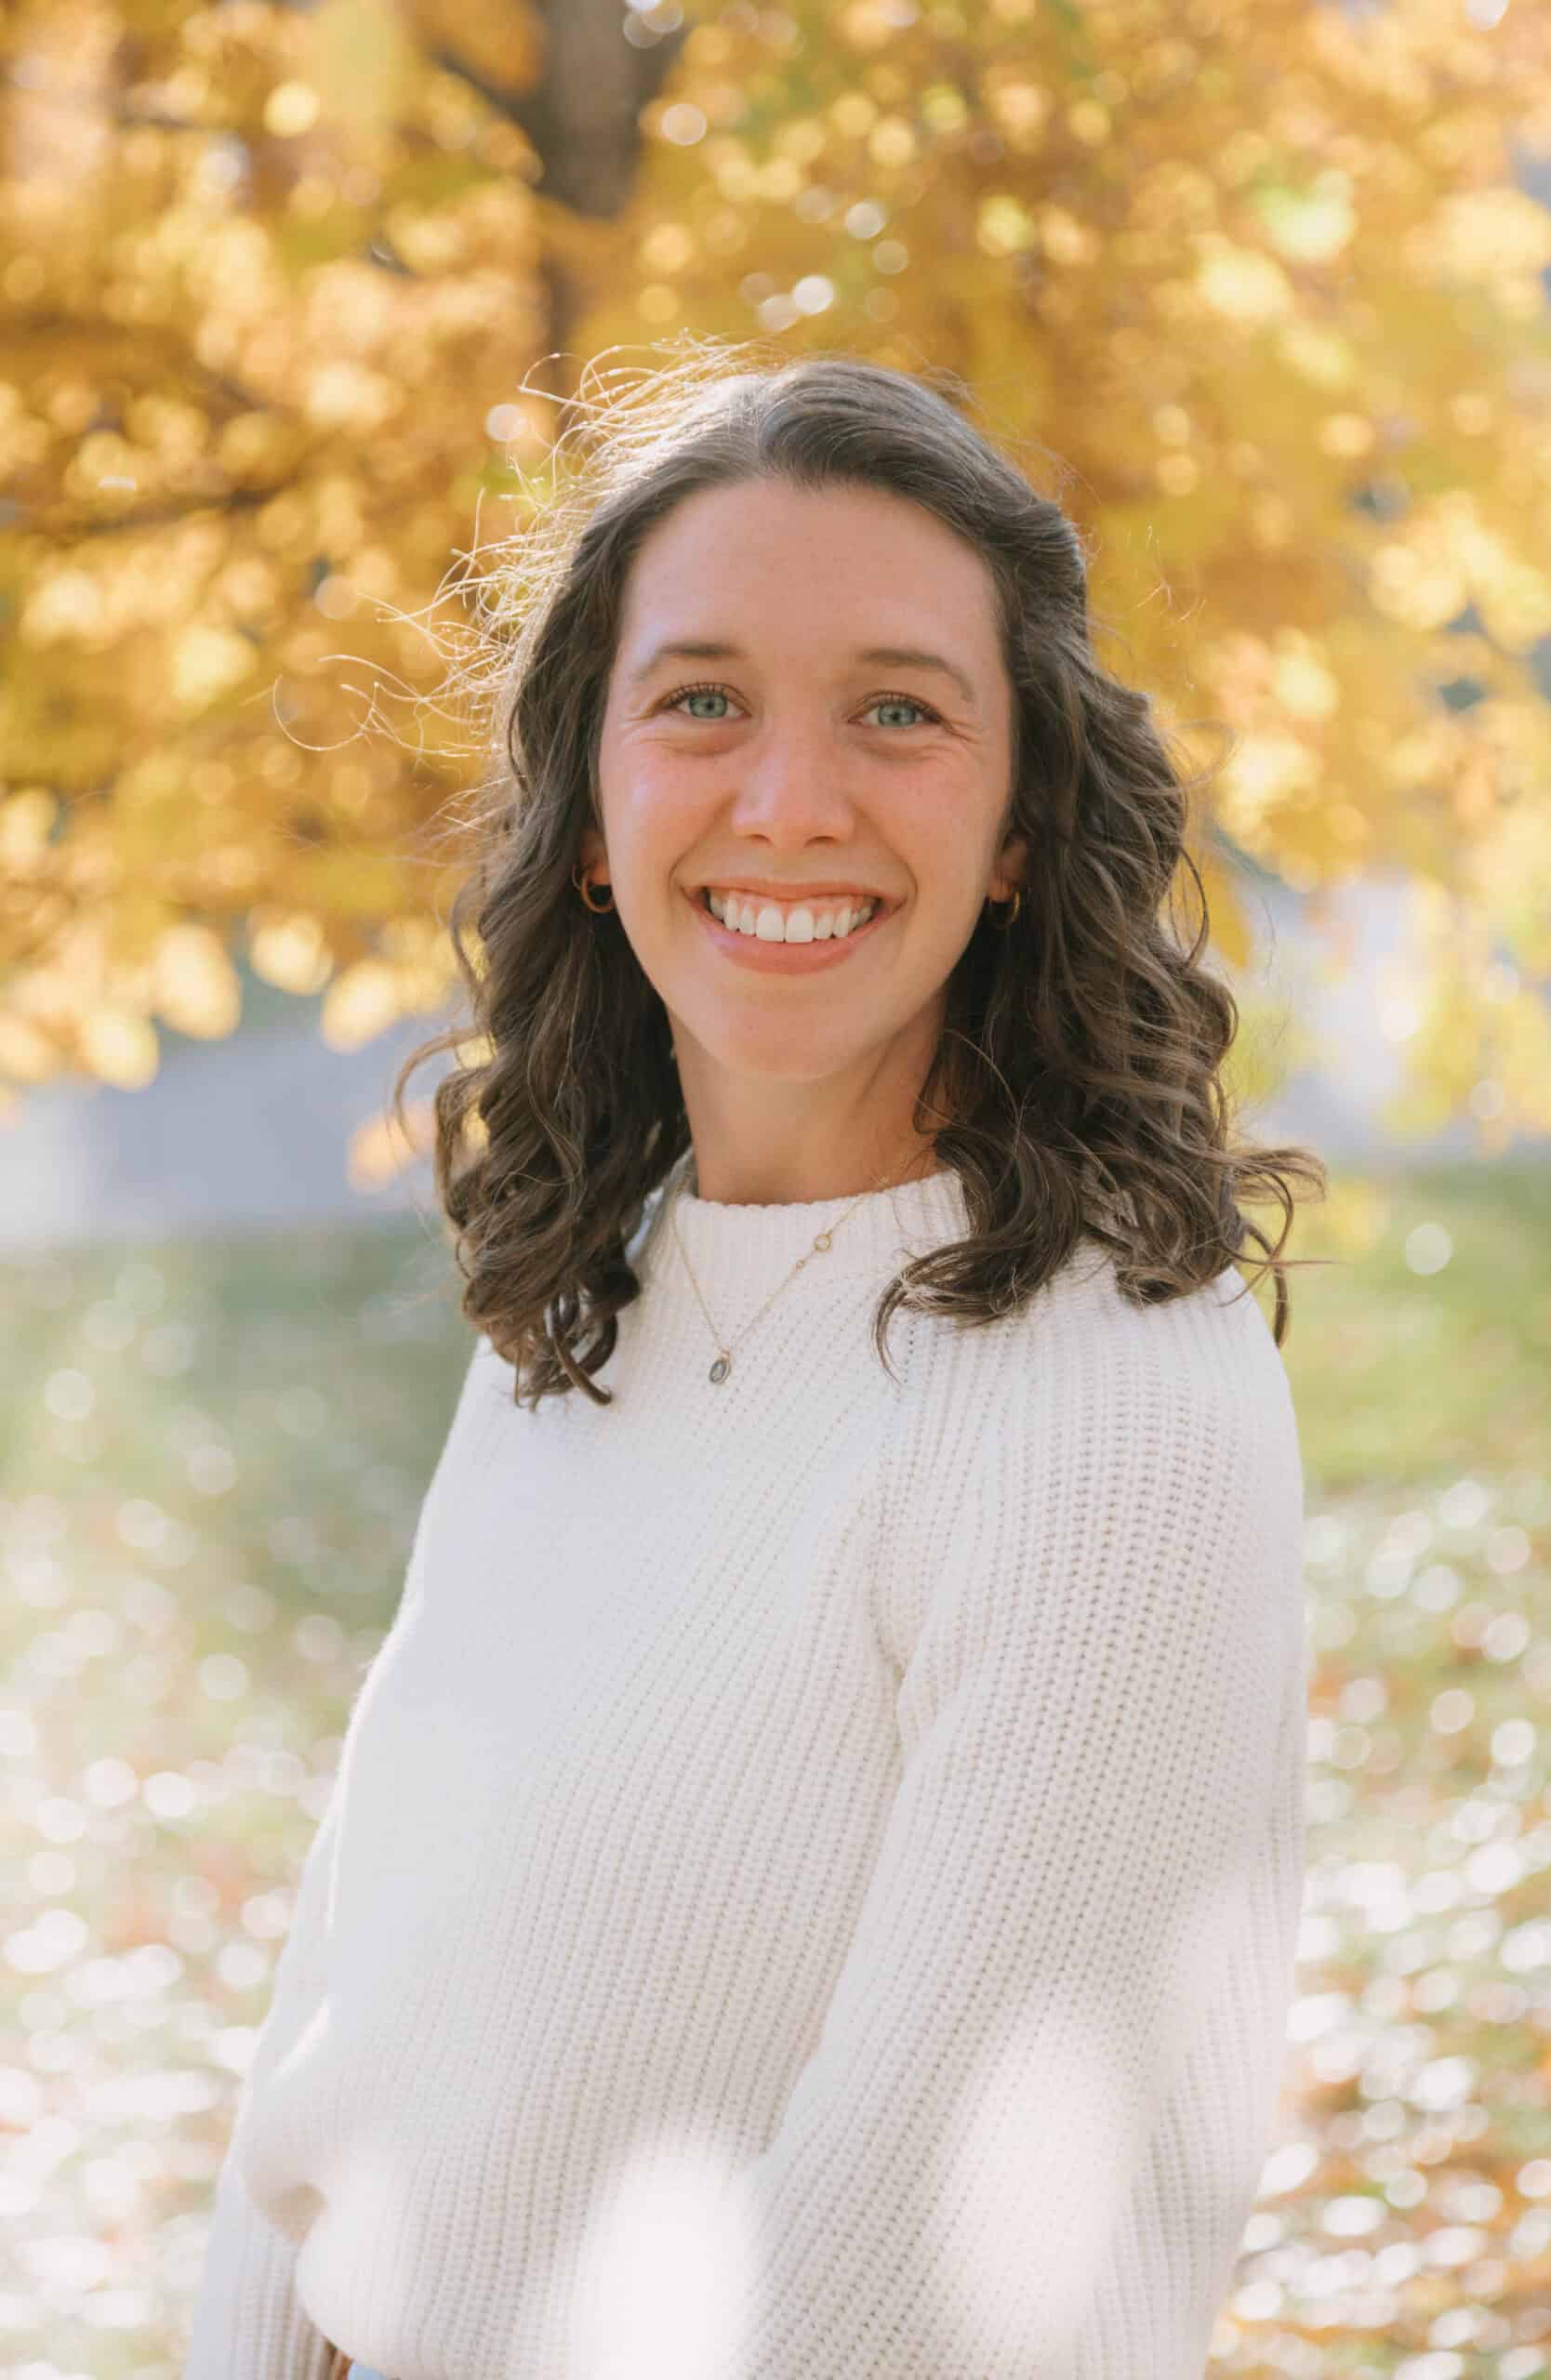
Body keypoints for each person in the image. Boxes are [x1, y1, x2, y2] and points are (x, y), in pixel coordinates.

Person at [181, 339, 1328, 2380]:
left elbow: (947, 2288)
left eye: (896, 711)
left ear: (1011, 822)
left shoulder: (1112, 1409)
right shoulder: (588, 1303)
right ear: (599, 810)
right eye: (699, 701)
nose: (788, 802)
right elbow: (349, 2013)